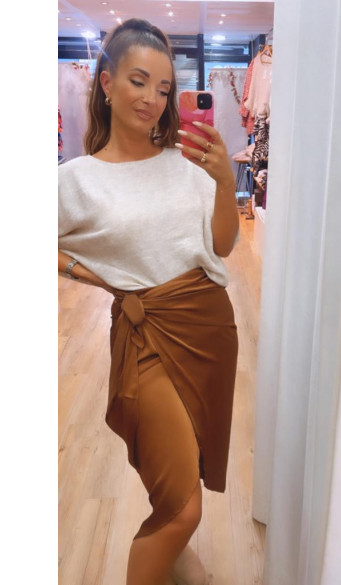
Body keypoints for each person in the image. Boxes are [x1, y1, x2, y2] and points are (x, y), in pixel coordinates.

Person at [58, 18, 240, 585]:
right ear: (106, 83)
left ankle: (177, 561)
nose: (152, 100)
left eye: (164, 89)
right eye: (138, 81)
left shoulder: (187, 161)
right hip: (147, 335)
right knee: (184, 507)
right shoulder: (77, 179)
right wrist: (84, 272)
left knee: (183, 475)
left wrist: (224, 182)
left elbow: (222, 246)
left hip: (210, 327)